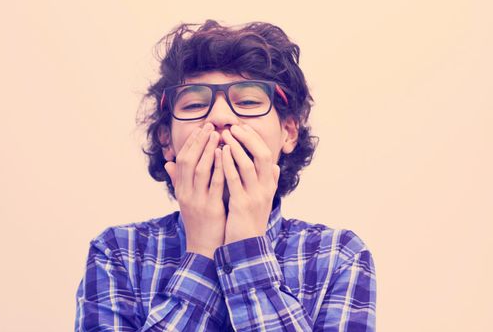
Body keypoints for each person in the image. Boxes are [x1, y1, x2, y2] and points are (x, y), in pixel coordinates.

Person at [74, 20, 376, 331]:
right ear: (166, 140)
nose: (220, 117)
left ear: (288, 132)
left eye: (247, 101)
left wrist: (247, 246)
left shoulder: (339, 257)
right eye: (194, 104)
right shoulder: (117, 253)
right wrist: (202, 251)